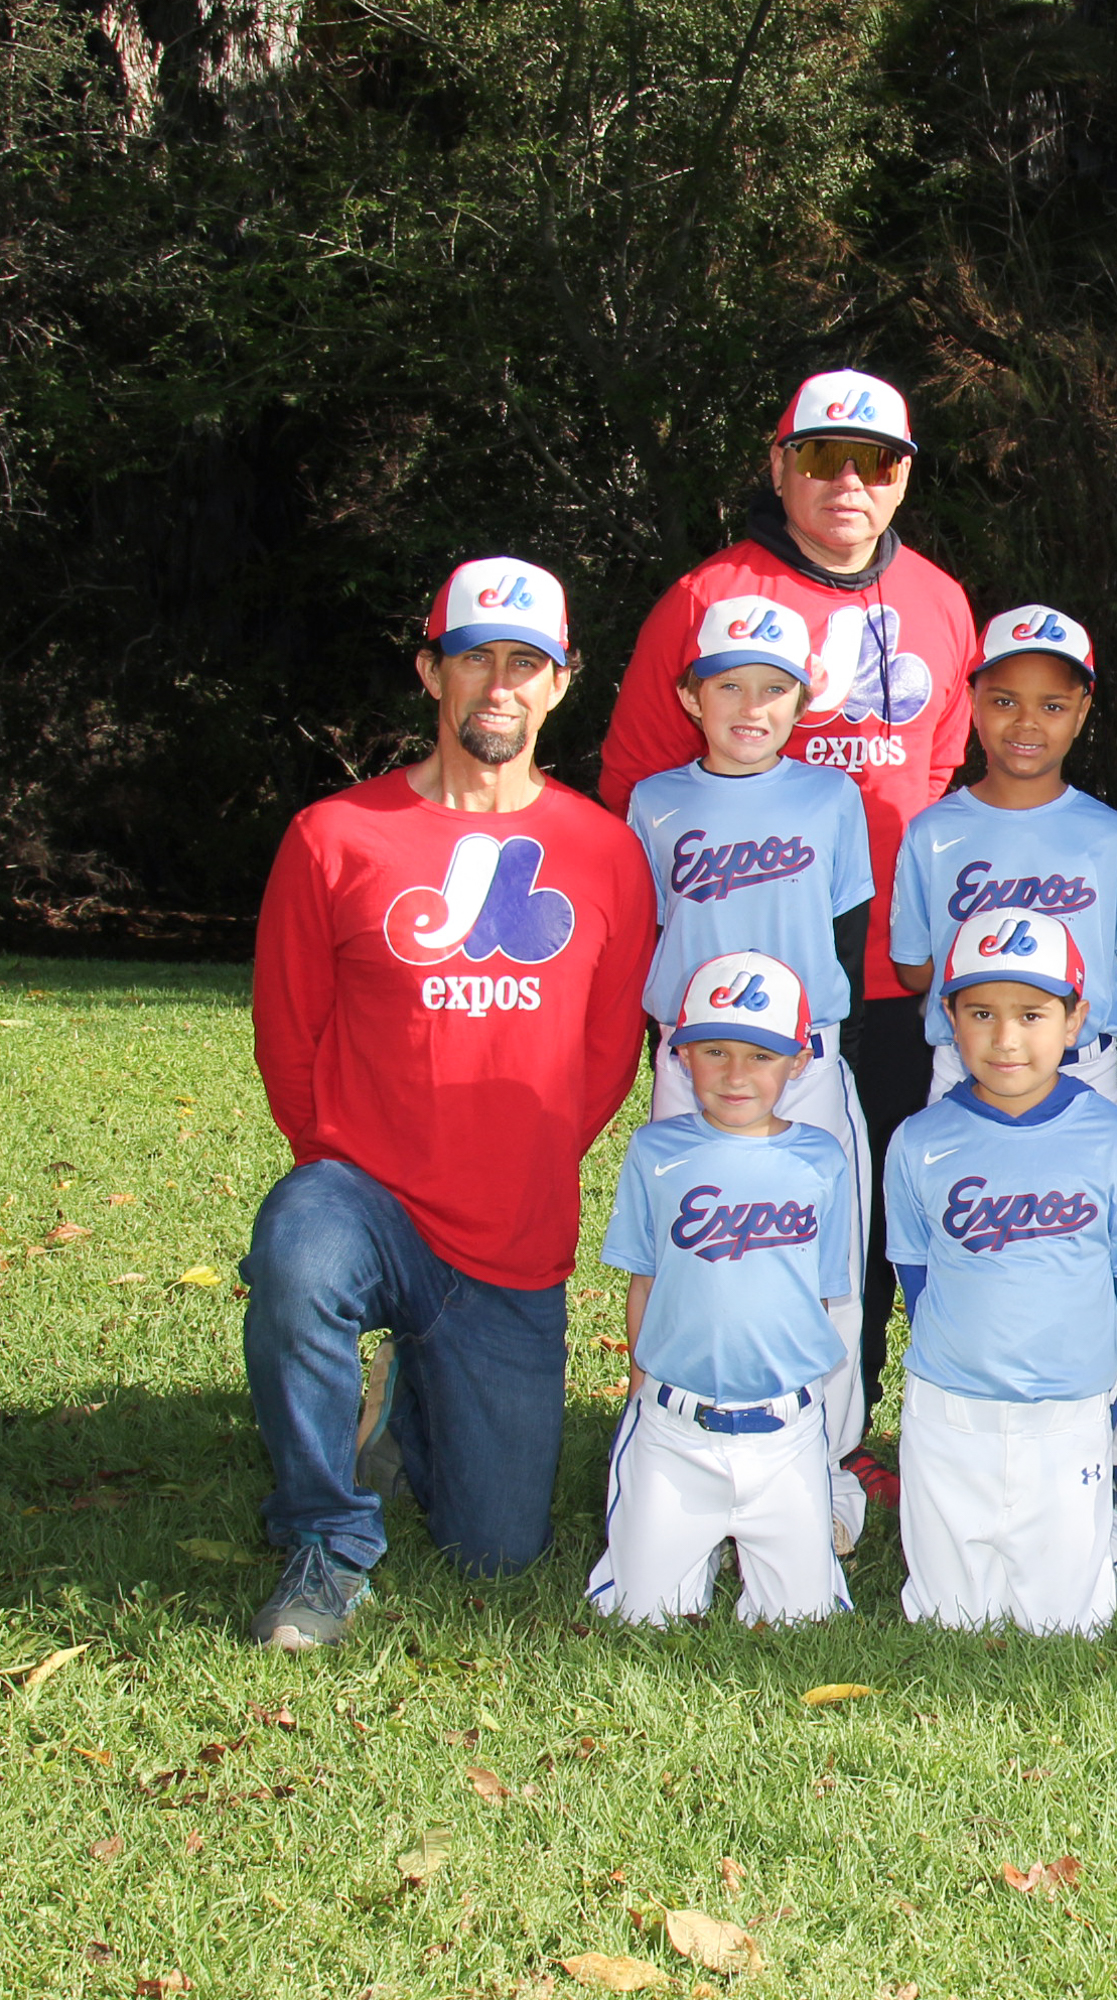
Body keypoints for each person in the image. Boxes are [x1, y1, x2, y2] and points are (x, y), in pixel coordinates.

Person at [244, 558, 654, 1650]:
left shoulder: (606, 852)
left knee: (497, 1548)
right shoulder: (334, 836)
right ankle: (325, 1541)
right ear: (434, 672)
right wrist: (335, 1160)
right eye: (476, 659)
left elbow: (608, 1051)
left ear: (560, 682)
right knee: (298, 1249)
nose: (499, 685)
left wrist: (520, 1153)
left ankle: (407, 1403)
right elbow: (288, 1032)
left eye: (526, 663)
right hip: (365, 1196)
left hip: (510, 1227)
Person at [595, 368, 979, 1444]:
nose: (849, 481)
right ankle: (695, 1419)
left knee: (864, 1213)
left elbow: (939, 772)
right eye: (822, 456)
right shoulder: (705, 597)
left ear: (904, 477)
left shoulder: (942, 602)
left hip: (890, 973)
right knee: (721, 1210)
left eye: (876, 461)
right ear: (779, 465)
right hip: (727, 999)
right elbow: (635, 789)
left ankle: (841, 1438)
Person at [621, 596, 875, 1550]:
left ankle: (824, 1466)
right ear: (692, 695)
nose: (752, 707)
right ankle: (667, 1442)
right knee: (685, 1253)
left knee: (824, 1269)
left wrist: (820, 1040)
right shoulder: (657, 802)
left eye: (775, 689)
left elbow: (844, 936)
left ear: (802, 701)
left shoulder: (828, 799)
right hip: (692, 1062)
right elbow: (648, 930)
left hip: (803, 1063)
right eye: (730, 685)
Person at [881, 910, 1117, 1636]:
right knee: (950, 1617)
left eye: (1032, 1014)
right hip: (949, 1409)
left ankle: (1100, 1526)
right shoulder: (918, 1141)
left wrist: (1105, 1397)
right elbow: (916, 1274)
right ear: (949, 1019)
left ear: (1075, 1021)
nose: (1006, 1038)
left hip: (1068, 1405)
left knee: (1066, 1619)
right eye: (982, 1013)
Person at [587, 954, 854, 1626]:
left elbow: (819, 1296)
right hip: (677, 1423)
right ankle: (688, 1542)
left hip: (785, 1427)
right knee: (642, 1616)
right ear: (680, 1055)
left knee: (802, 1619)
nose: (737, 1075)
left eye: (761, 1055)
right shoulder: (655, 1152)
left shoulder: (821, 1159)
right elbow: (644, 1280)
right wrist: (640, 1388)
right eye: (715, 1051)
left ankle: (757, 1536)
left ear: (799, 1062)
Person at [889, 604, 1117, 1108]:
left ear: (1082, 712)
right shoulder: (933, 832)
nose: (1027, 722)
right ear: (972, 702)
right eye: (1005, 701)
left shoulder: (1111, 834)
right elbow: (914, 970)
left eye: (1052, 706)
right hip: (965, 1066)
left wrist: (1093, 970)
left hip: (1081, 1067)